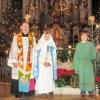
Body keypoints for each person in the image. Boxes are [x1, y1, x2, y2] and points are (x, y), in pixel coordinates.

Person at [7, 21, 36, 97]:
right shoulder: (16, 37)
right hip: (19, 61)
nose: (26, 28)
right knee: (19, 75)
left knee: (29, 75)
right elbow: (13, 49)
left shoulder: (32, 38)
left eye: (27, 26)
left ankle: (28, 93)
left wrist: (35, 60)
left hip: (29, 61)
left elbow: (35, 50)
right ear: (21, 27)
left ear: (29, 28)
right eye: (24, 26)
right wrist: (13, 61)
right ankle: (20, 93)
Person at [72, 29, 96, 97]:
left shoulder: (91, 44)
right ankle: (83, 91)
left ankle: (91, 91)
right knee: (82, 77)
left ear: (88, 37)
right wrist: (76, 68)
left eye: (86, 35)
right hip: (81, 64)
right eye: (83, 35)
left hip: (88, 63)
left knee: (90, 76)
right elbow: (76, 57)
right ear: (80, 36)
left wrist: (95, 50)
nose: (84, 37)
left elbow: (93, 55)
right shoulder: (78, 45)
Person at [33, 29, 57, 96]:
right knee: (42, 77)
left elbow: (53, 57)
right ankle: (43, 91)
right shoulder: (40, 45)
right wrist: (43, 62)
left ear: (50, 37)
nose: (47, 37)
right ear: (43, 37)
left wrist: (49, 63)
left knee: (49, 77)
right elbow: (37, 56)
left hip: (49, 65)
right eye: (45, 36)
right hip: (42, 65)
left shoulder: (52, 46)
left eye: (48, 36)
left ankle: (50, 90)